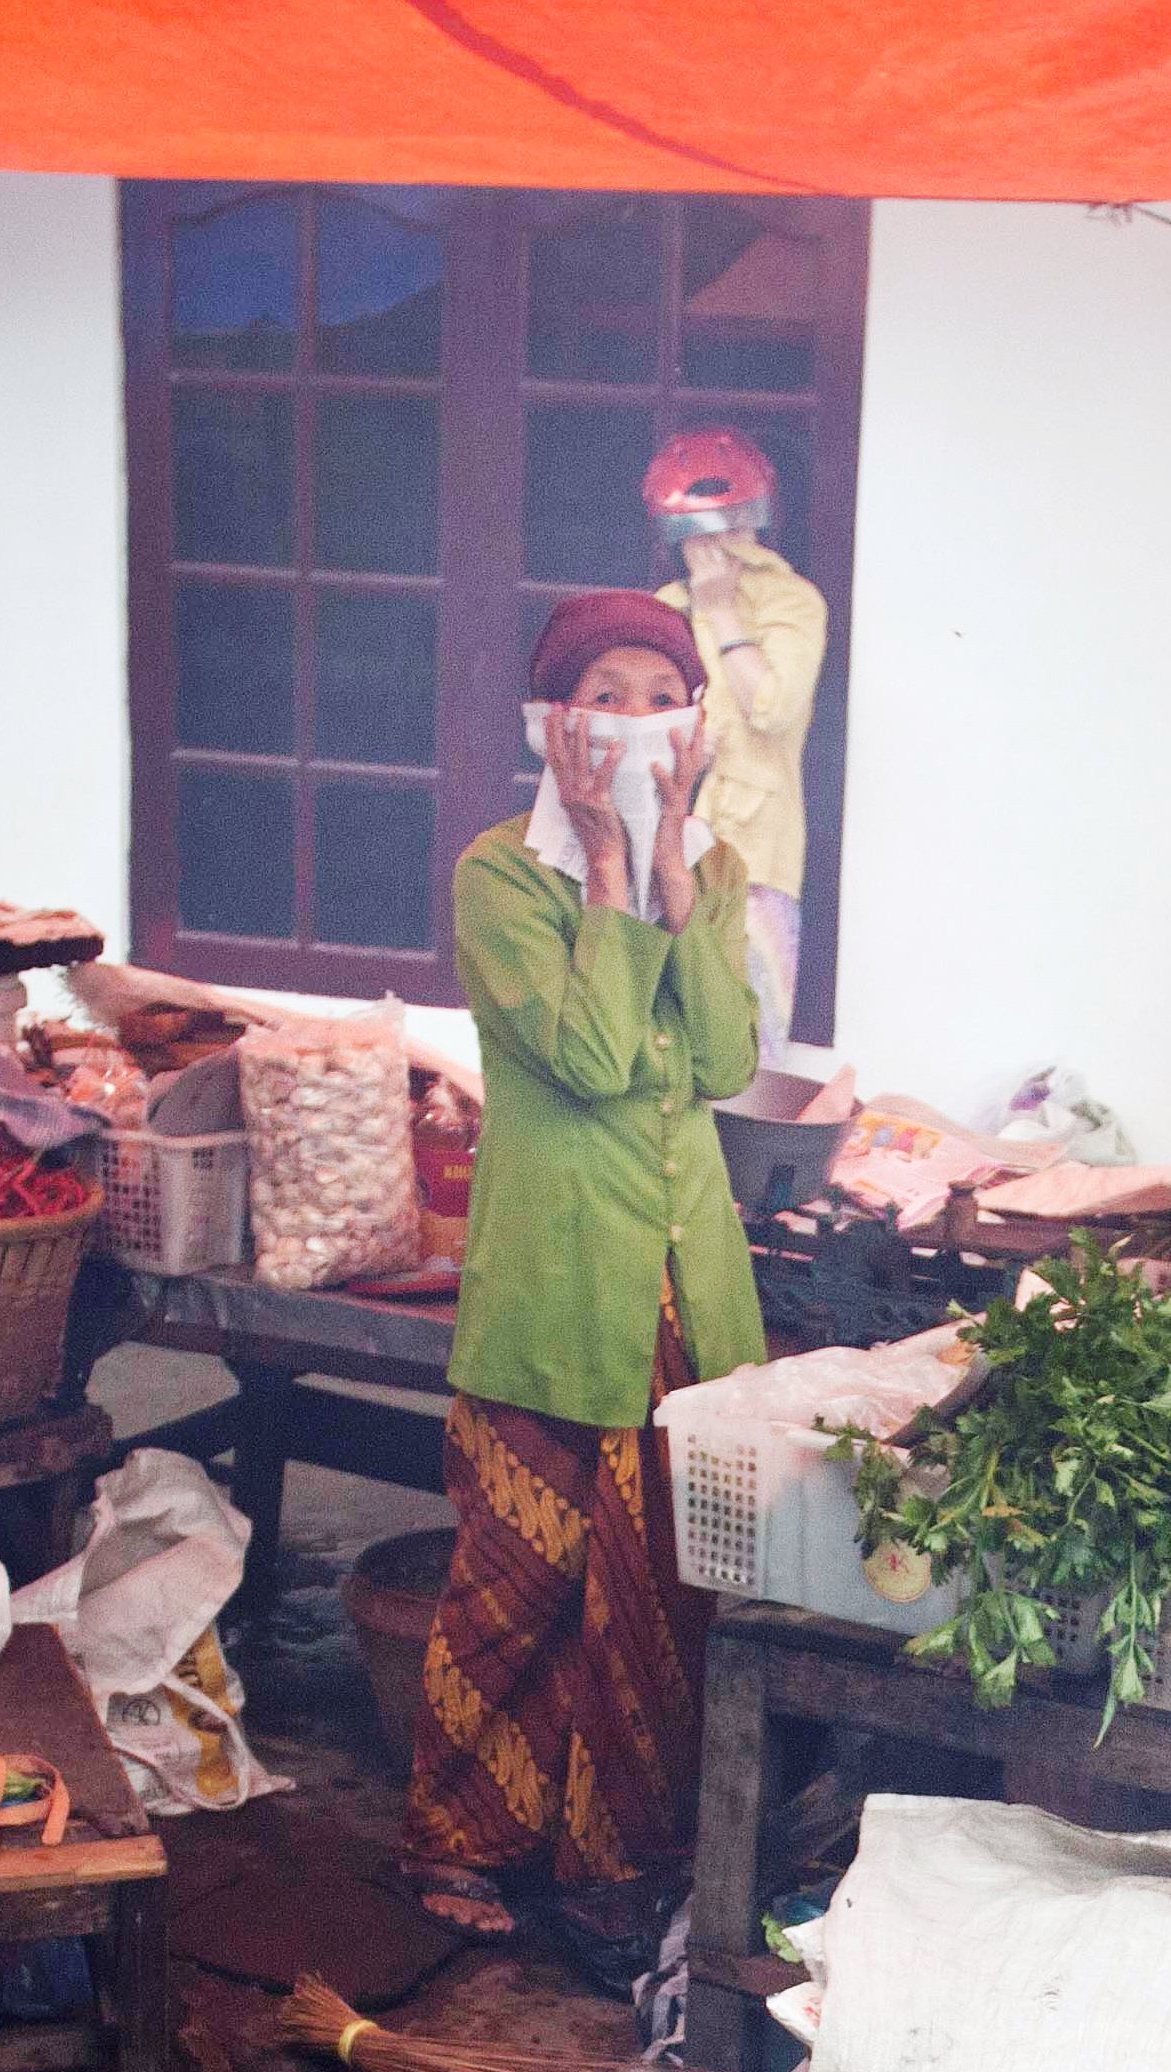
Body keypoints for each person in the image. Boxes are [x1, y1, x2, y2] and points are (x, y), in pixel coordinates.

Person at [399, 585, 763, 1959]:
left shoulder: (713, 870)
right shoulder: (501, 875)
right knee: (521, 1577)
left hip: (686, 1293)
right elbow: (598, 1058)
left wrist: (672, 867)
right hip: (554, 1286)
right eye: (596, 696)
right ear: (551, 726)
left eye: (650, 694)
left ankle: (615, 1863)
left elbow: (722, 1061)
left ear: (691, 725)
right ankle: (456, 1838)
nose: (625, 720)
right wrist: (609, 873)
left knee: (662, 1592)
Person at [646, 428, 827, 1042]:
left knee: (749, 1039)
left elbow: (772, 708)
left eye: (733, 523)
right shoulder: (663, 609)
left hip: (757, 854)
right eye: (699, 530)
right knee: (666, 1033)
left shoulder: (793, 603)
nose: (719, 542)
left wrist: (722, 609)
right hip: (667, 844)